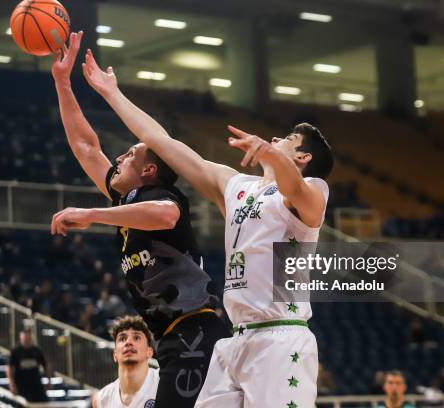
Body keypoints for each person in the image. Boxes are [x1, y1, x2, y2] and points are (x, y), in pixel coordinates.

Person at [81, 44, 332, 408]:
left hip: (281, 339)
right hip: (235, 340)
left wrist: (271, 154)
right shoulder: (236, 186)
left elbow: (296, 189)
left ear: (303, 157)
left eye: (287, 141)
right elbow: (162, 143)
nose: (276, 140)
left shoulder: (311, 191)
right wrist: (112, 93)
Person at [50, 31, 229, 408]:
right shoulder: (126, 198)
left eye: (129, 155)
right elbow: (86, 148)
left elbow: (164, 216)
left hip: (196, 328)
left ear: (149, 170)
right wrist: (63, 83)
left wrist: (92, 214)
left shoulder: (162, 197)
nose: (118, 159)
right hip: (172, 334)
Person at [93, 316, 159, 408]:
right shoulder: (101, 399)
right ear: (115, 355)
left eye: (136, 338)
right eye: (122, 339)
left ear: (149, 352)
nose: (128, 342)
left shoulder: (163, 381)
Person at [7, 329, 51, 402]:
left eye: (28, 339)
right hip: (21, 383)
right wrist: (12, 383)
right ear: (21, 338)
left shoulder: (37, 351)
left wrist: (49, 381)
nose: (26, 340)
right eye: (25, 339)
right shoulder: (16, 351)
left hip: (35, 382)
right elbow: (10, 368)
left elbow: (45, 366)